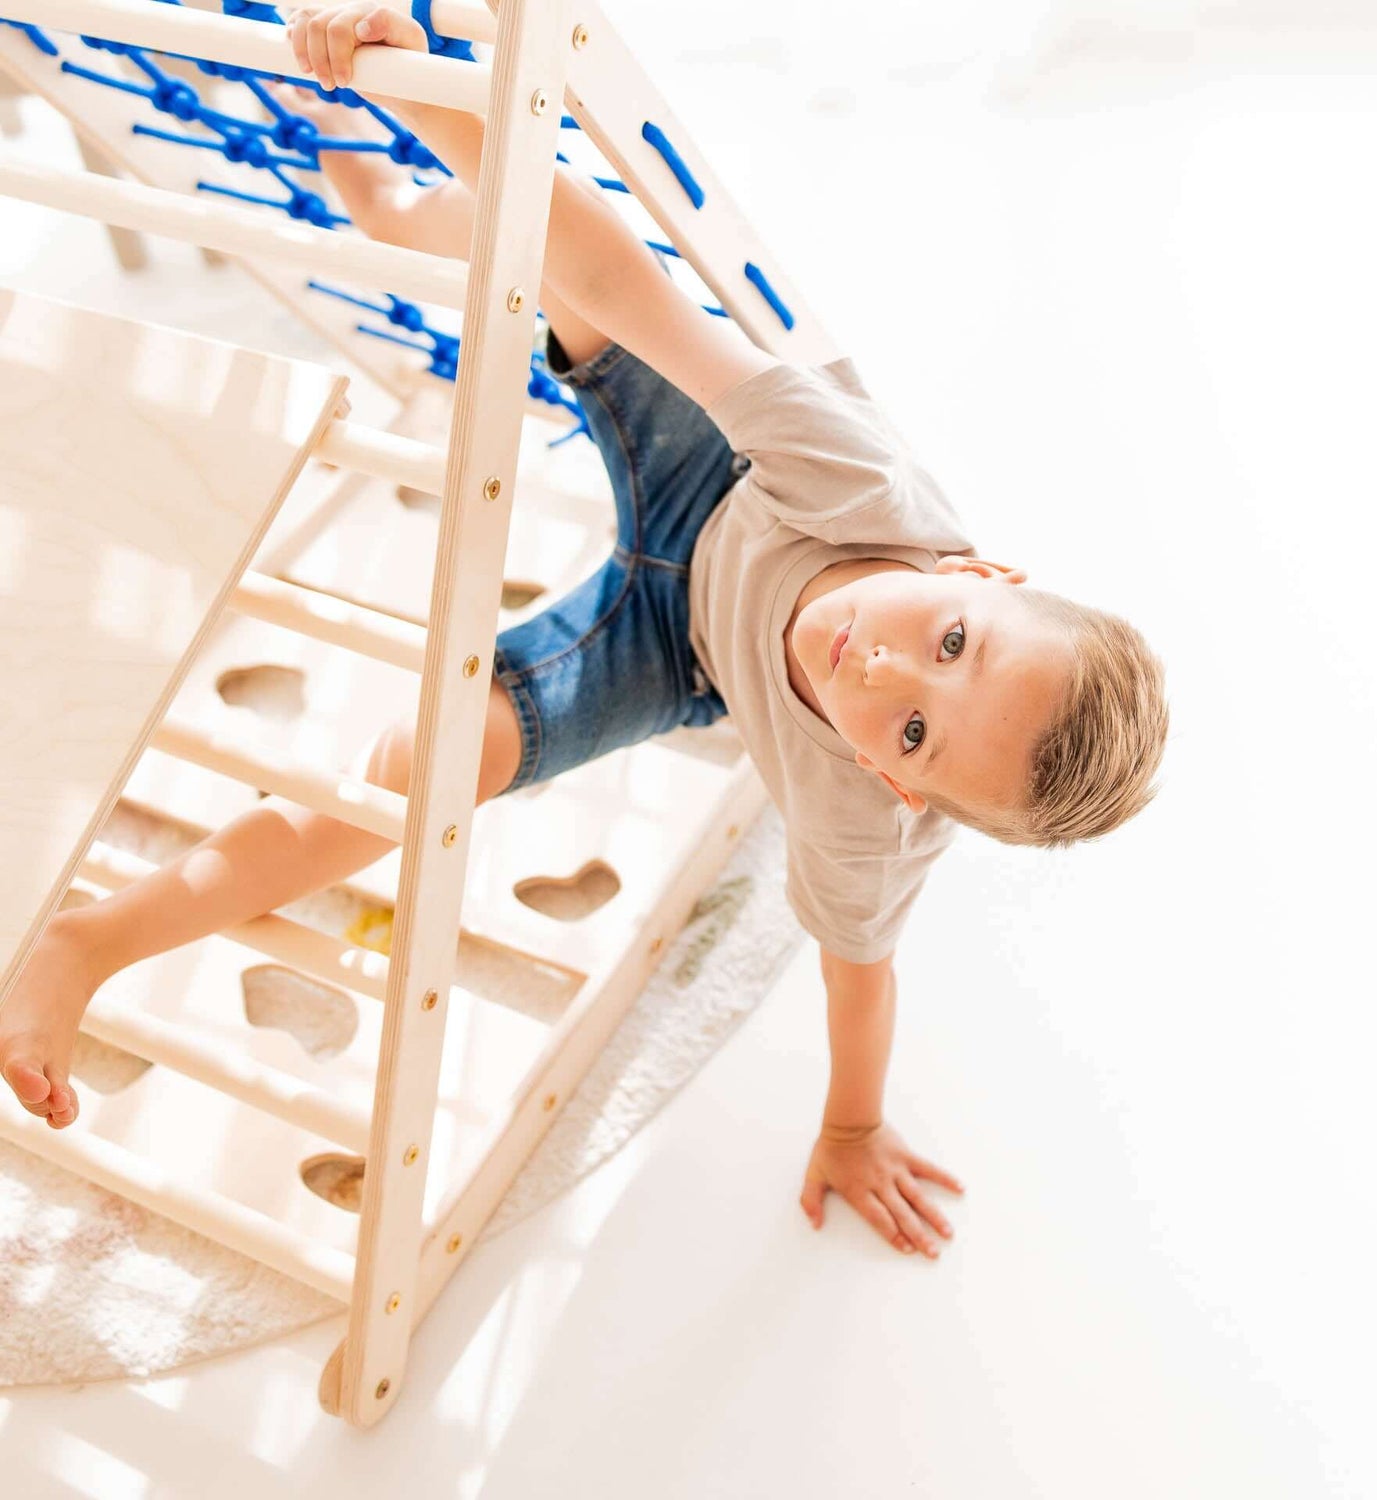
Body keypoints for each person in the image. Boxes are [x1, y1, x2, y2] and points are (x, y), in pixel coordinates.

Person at [0, 6, 1169, 1260]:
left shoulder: (858, 827)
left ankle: (92, 940)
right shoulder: (863, 489)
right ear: (977, 569)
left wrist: (850, 1127)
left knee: (421, 775)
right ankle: (345, 82)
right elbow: (621, 278)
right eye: (951, 638)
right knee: (404, 222)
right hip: (718, 466)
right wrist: (433, 96)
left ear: (896, 782)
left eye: (920, 728)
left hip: (676, 650)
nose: (880, 666)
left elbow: (859, 974)